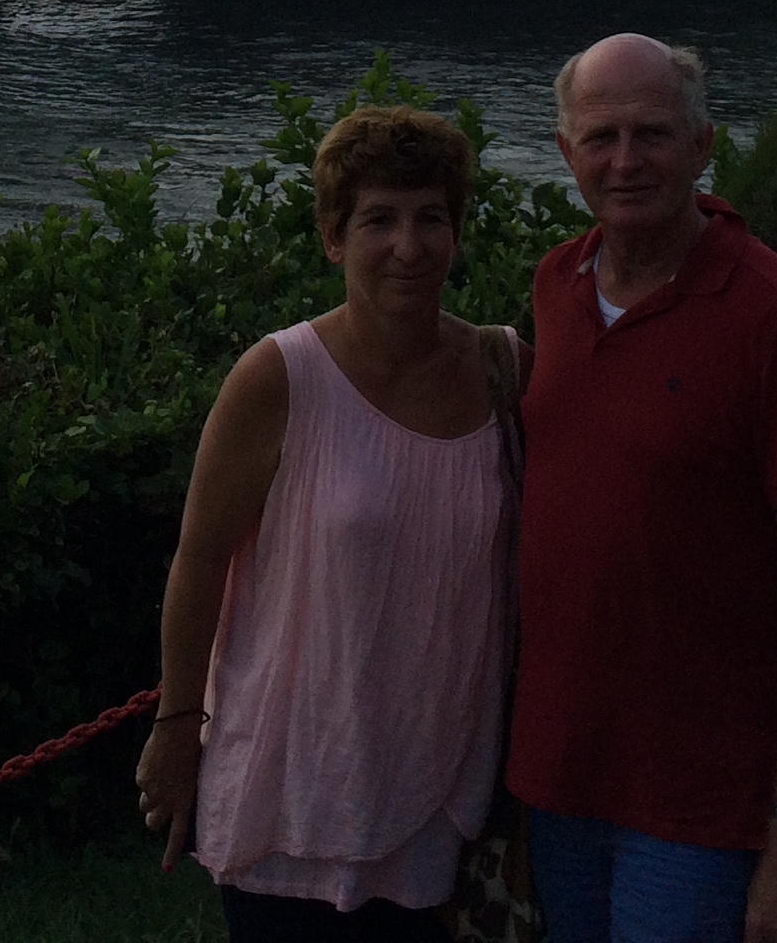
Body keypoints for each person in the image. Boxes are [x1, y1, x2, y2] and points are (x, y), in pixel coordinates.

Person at [509, 35, 777, 943]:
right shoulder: (556, 284)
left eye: (652, 134)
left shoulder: (775, 320)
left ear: (704, 147)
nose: (625, 161)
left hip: (704, 810)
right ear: (566, 155)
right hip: (557, 785)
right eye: (600, 138)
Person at [137, 106, 519, 942]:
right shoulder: (280, 378)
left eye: (431, 219)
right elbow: (198, 563)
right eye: (378, 219)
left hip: (439, 790)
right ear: (332, 237)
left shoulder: (502, 371)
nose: (408, 247)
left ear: (457, 234)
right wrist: (175, 728)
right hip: (295, 788)